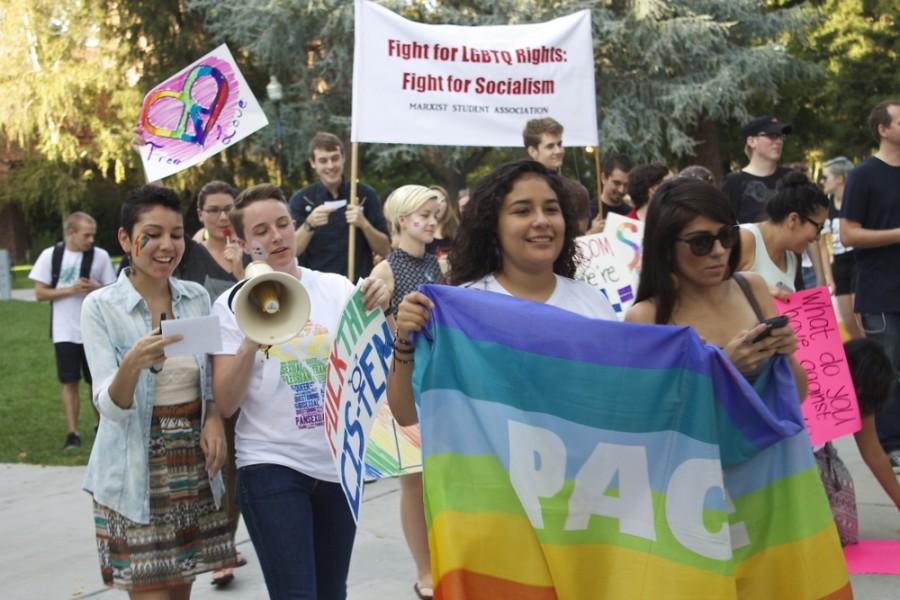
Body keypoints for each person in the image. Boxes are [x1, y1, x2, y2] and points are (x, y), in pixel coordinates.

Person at [211, 184, 390, 600]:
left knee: (331, 593)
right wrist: (251, 337)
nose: (276, 237)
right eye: (261, 231)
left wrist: (381, 305)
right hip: (271, 464)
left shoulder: (336, 289)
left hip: (335, 466)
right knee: (296, 594)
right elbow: (225, 401)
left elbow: (376, 364)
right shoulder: (230, 305)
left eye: (282, 224)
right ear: (242, 243)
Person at [80, 185, 237, 597]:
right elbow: (108, 409)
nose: (167, 246)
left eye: (177, 234)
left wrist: (214, 417)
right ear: (125, 239)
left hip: (190, 464)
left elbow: (206, 376)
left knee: (180, 592)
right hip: (133, 468)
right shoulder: (101, 307)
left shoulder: (196, 298)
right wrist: (131, 364)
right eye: (153, 233)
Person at [387, 160, 618, 428]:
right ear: (493, 226)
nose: (541, 221)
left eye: (551, 209)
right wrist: (404, 338)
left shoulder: (593, 304)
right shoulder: (459, 314)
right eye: (522, 211)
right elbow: (406, 415)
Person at [625, 178, 806, 398]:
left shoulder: (753, 287)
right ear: (667, 247)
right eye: (701, 242)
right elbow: (650, 414)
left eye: (727, 236)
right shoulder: (646, 317)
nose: (719, 251)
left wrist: (786, 353)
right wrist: (724, 370)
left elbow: (798, 395)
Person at [370, 185, 442, 600]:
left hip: (434, 383)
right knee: (413, 480)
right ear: (401, 220)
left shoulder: (437, 264)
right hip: (399, 385)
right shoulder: (385, 271)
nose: (433, 221)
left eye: (435, 214)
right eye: (424, 215)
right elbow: (370, 328)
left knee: (435, 477)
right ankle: (424, 569)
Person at [840, 98, 900, 466]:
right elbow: (848, 234)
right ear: (883, 129)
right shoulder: (863, 176)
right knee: (887, 372)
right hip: (880, 292)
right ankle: (889, 444)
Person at [29, 211, 116, 450]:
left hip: (94, 330)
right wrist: (70, 290)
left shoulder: (100, 256)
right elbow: (40, 293)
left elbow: (113, 290)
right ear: (71, 232)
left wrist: (94, 287)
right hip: (64, 331)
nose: (91, 240)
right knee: (69, 381)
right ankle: (72, 432)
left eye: (93, 235)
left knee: (96, 381)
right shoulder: (51, 255)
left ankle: (102, 427)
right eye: (87, 235)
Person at [816, 338, 900, 545]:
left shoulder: (863, 395)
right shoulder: (803, 376)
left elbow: (874, 453)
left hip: (821, 454)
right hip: (781, 455)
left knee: (843, 533)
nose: (857, 395)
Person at [289, 132, 391, 278]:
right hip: (317, 287)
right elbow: (292, 251)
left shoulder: (365, 195)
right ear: (313, 163)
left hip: (356, 287)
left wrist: (364, 224)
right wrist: (309, 224)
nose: (330, 166)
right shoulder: (302, 199)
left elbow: (386, 249)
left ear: (343, 158)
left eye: (335, 158)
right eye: (323, 160)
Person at [737, 171, 829, 295]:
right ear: (793, 219)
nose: (818, 238)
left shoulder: (791, 258)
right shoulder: (745, 239)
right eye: (818, 228)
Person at [819, 157, 862, 339]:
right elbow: (821, 244)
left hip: (858, 260)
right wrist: (829, 277)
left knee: (862, 321)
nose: (821, 181)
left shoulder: (857, 201)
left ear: (839, 179)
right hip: (839, 264)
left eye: (825, 176)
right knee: (849, 323)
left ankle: (875, 364)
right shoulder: (825, 206)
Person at [722, 115, 793, 224]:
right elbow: (725, 226)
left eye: (780, 136)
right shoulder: (734, 182)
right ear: (751, 141)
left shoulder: (792, 178)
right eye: (772, 135)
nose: (779, 141)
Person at [586, 152, 633, 234]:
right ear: (603, 178)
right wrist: (591, 233)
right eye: (617, 183)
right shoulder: (587, 211)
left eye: (626, 185)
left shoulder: (631, 214)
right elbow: (573, 244)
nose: (621, 190)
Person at [424, 184, 460, 273]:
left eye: (442, 200)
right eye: (434, 199)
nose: (438, 204)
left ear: (447, 204)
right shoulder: (421, 232)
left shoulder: (458, 230)